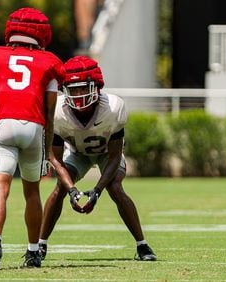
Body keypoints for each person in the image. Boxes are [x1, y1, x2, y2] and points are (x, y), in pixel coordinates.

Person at [39, 55, 157, 262]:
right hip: (77, 154)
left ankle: (142, 245)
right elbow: (54, 159)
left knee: (115, 188)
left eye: (83, 88)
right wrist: (72, 190)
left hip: (106, 155)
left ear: (96, 87)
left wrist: (97, 190)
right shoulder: (57, 111)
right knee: (60, 189)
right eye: (73, 89)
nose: (78, 95)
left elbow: (114, 156)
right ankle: (40, 245)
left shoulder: (113, 108)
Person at [0, 7, 65, 270]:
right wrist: (48, 149)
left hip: (2, 124)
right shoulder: (49, 62)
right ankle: (33, 251)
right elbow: (50, 115)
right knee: (32, 192)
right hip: (35, 128)